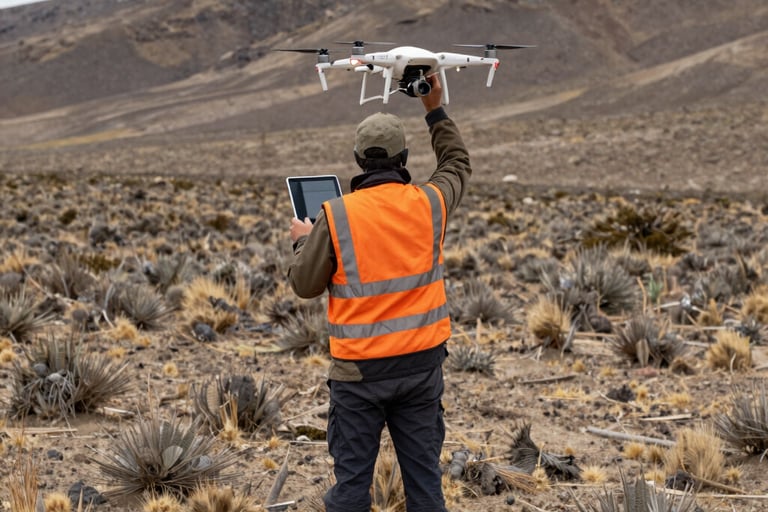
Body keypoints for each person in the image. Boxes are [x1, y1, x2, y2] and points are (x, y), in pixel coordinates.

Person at [287, 73, 471, 512]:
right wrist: (434, 109)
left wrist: (302, 242)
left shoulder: (336, 214)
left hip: (359, 375)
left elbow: (304, 285)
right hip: (421, 367)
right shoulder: (430, 203)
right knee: (425, 484)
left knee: (352, 488)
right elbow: (457, 164)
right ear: (403, 157)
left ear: (357, 159)